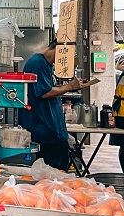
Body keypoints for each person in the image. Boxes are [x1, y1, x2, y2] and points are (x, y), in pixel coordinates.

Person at [20, 42, 82, 171]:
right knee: (54, 174)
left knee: (56, 172)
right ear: (58, 50)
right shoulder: (38, 63)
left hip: (51, 130)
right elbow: (45, 92)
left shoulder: (45, 65)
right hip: (45, 130)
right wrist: (70, 86)